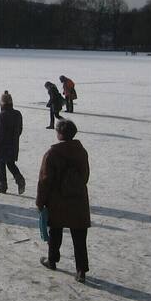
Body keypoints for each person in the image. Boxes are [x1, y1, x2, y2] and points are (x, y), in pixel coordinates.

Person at [36, 119, 90, 282]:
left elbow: (45, 180)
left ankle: (52, 260)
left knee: (56, 230)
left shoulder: (52, 153)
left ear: (60, 134)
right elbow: (85, 176)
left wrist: (40, 201)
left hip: (57, 199)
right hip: (78, 199)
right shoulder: (81, 151)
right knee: (79, 236)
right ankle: (81, 270)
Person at [0, 91, 25, 194]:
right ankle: (20, 179)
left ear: (2, 103)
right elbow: (20, 130)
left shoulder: (2, 115)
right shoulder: (17, 114)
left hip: (2, 145)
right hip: (14, 143)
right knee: (10, 163)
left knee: (1, 164)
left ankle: (3, 186)